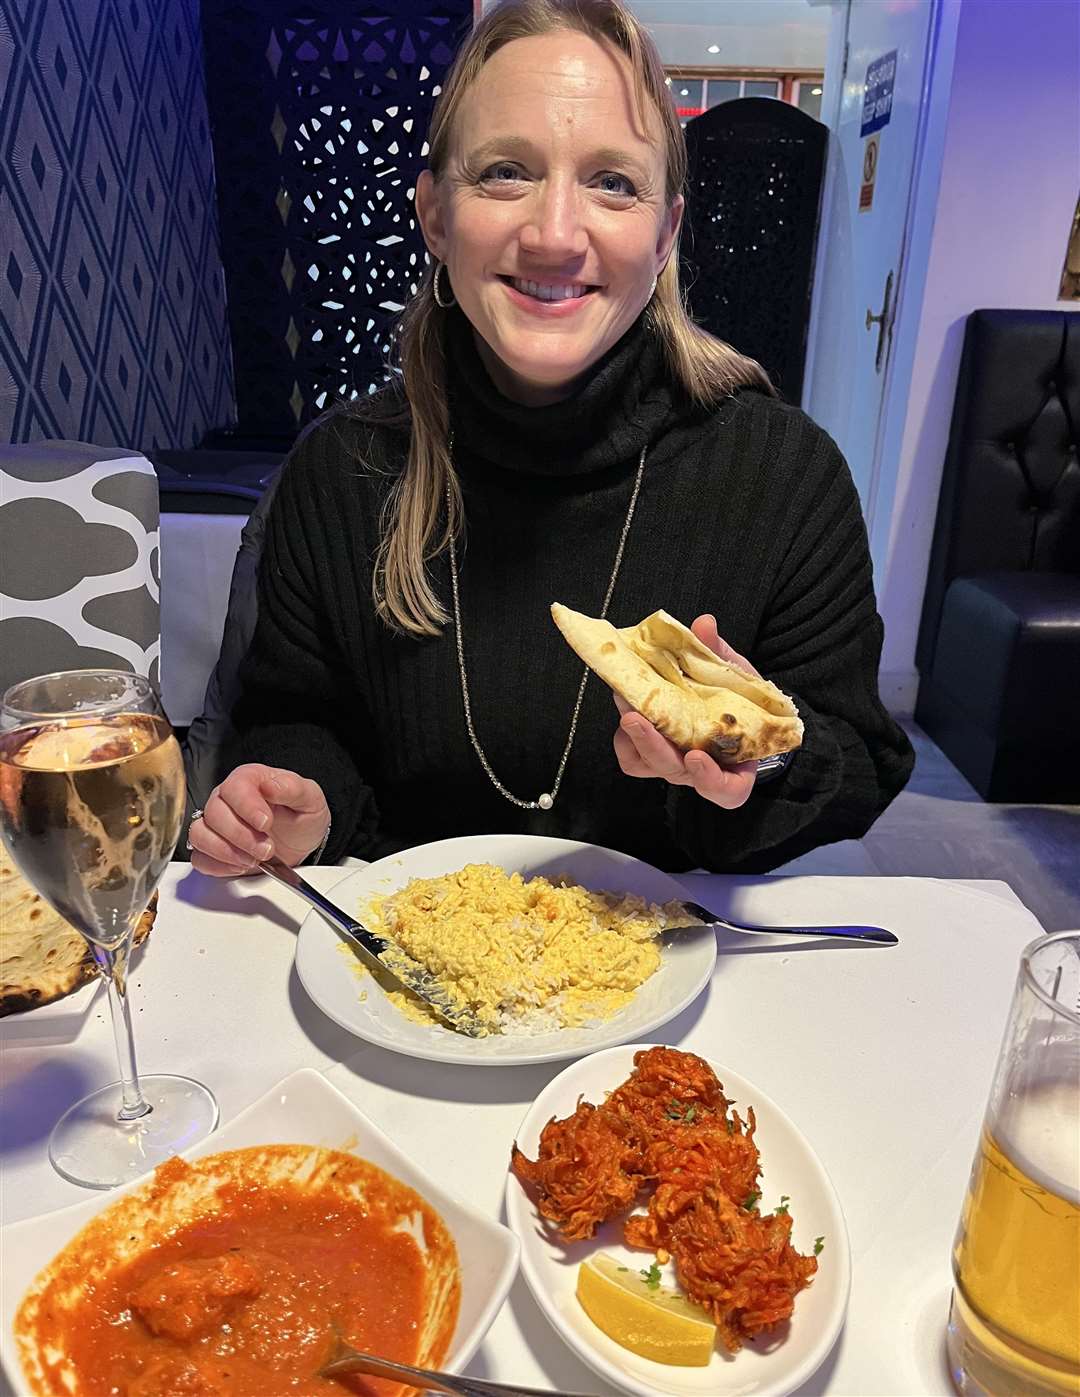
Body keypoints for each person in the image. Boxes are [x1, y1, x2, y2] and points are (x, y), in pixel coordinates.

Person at [187, 0, 913, 880]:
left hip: (680, 978)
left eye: (613, 182)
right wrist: (299, 800)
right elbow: (295, 720)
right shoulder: (339, 473)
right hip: (405, 971)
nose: (556, 235)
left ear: (665, 234)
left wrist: (758, 762)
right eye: (504, 172)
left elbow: (861, 761)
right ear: (434, 216)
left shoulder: (786, 478)